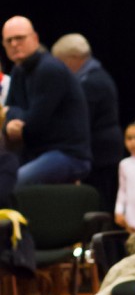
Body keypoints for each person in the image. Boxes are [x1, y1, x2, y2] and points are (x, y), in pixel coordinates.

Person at [3, 16, 92, 186]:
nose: (14, 44)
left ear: (34, 38)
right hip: (35, 152)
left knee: (10, 184)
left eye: (20, 38)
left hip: (68, 154)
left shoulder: (49, 69)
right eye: (9, 40)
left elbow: (33, 125)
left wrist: (14, 116)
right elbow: (8, 111)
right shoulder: (18, 71)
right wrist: (8, 125)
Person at [51, 33, 123, 211]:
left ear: (74, 58)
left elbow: (80, 121)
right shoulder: (93, 75)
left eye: (60, 61)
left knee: (99, 202)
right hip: (102, 150)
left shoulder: (90, 82)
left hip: (101, 154)